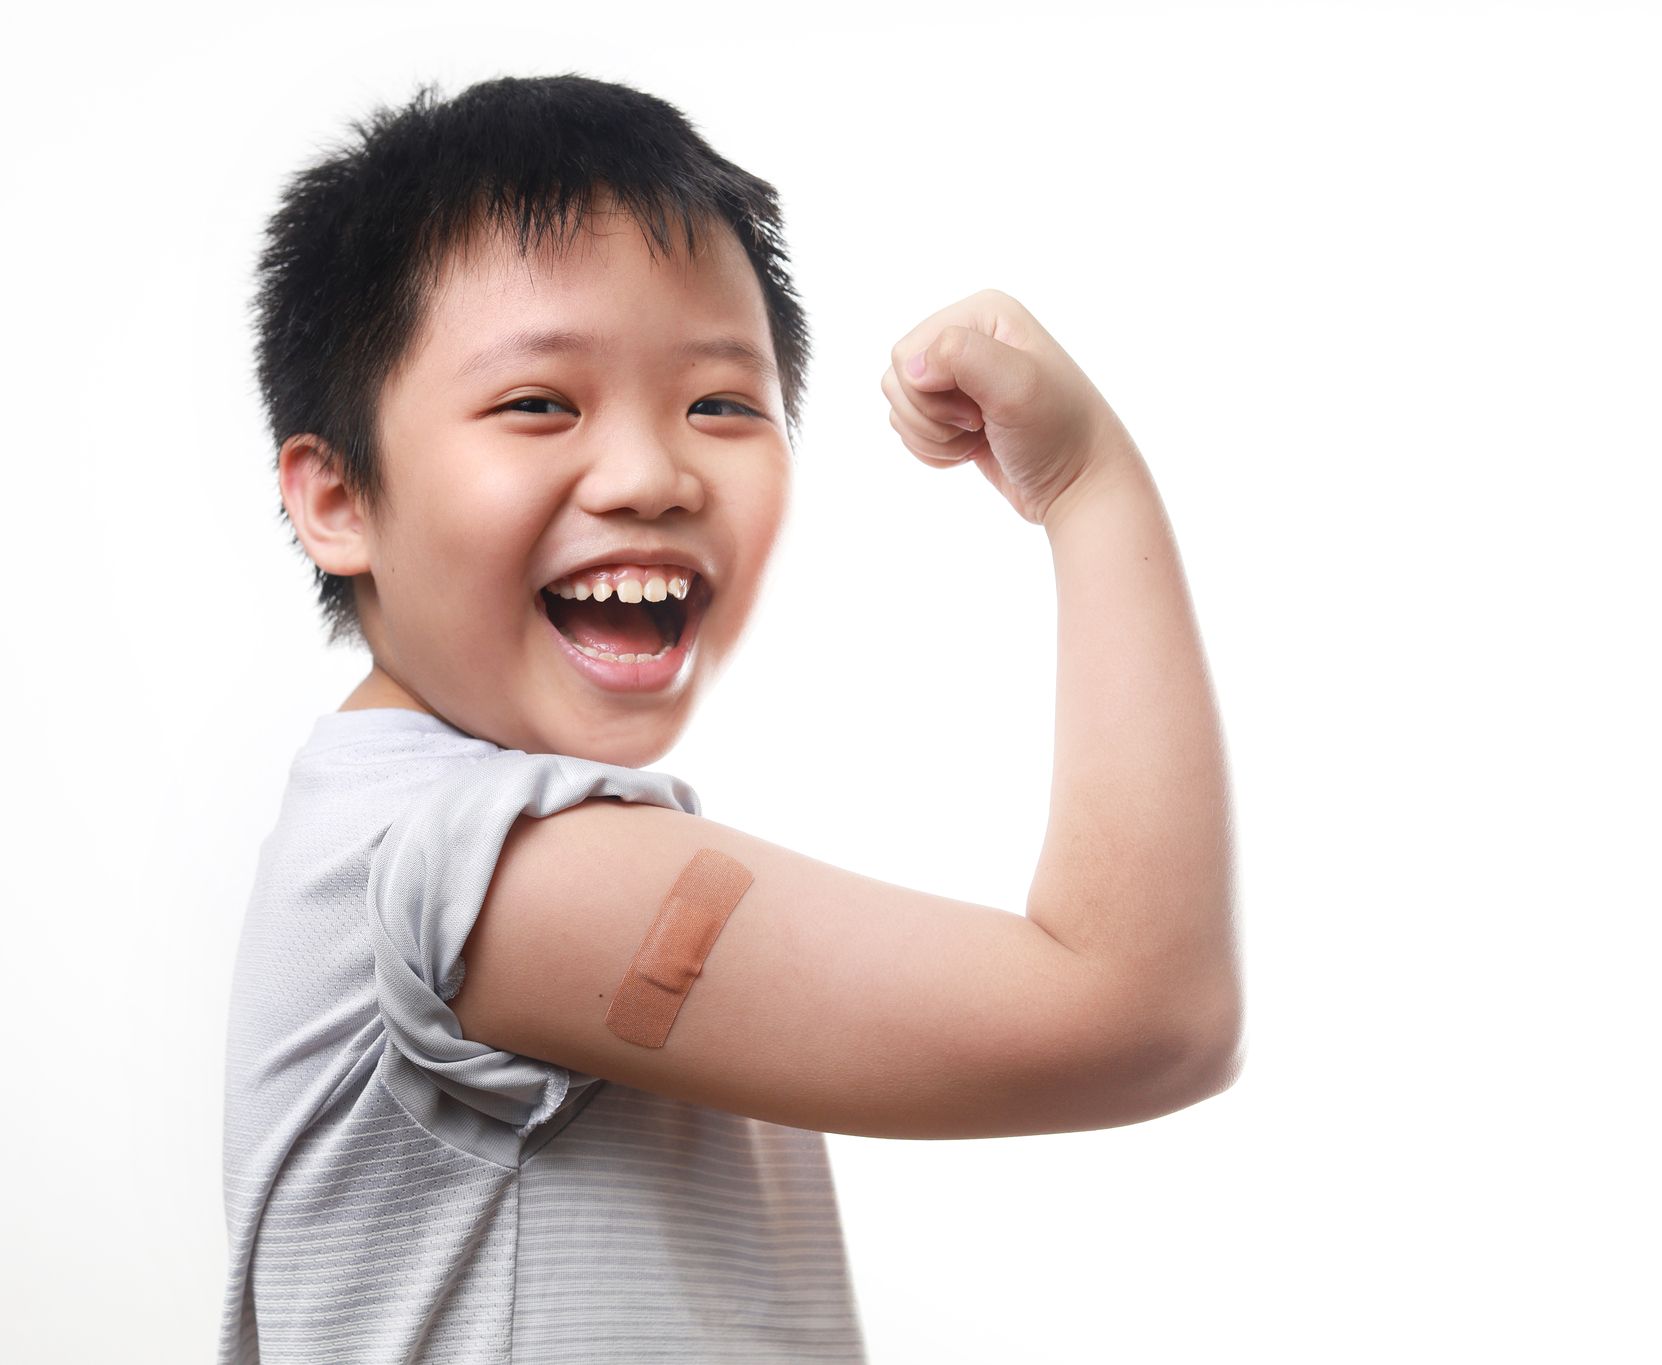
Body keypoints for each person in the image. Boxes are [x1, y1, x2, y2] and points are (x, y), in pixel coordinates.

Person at [219, 71, 1244, 1363]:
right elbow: (1146, 1016)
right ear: (335, 498)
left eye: (721, 403)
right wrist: (1092, 484)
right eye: (539, 401)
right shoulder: (482, 866)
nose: (653, 475)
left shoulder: (398, 823)